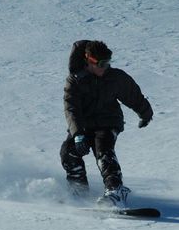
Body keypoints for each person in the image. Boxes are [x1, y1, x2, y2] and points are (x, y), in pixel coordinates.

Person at [60, 40, 153, 207]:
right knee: (68, 152)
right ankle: (79, 192)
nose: (106, 67)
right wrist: (77, 134)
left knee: (103, 148)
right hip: (84, 125)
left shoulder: (115, 77)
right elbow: (71, 109)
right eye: (102, 64)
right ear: (90, 61)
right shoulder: (75, 81)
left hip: (108, 121)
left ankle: (116, 190)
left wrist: (145, 114)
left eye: (108, 63)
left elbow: (134, 96)